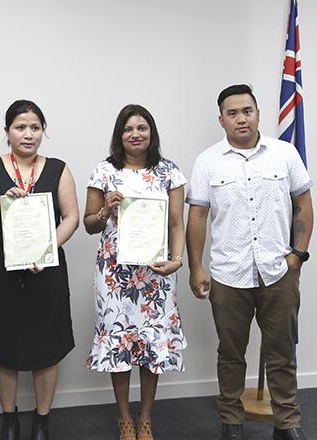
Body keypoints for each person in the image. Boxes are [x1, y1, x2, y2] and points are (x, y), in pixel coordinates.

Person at [186, 84, 314, 440]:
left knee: (282, 353)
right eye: (232, 113)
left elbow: (303, 203)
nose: (241, 119)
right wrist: (197, 267)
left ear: (257, 113)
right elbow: (197, 217)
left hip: (278, 272)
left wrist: (297, 255)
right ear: (222, 120)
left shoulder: (284, 154)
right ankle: (231, 422)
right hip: (229, 275)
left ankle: (287, 423)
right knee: (230, 355)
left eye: (247, 111)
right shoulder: (207, 161)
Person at [0, 100, 78, 440]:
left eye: (35, 127)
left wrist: (47, 251)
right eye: (20, 127)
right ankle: (9, 420)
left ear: (42, 131)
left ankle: (41, 421)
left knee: (47, 346)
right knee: (5, 345)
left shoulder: (59, 168)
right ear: (7, 132)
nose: (28, 134)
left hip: (45, 270)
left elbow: (72, 217)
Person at [84, 104, 187, 440]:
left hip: (156, 274)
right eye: (128, 129)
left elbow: (175, 223)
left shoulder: (169, 172)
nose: (135, 134)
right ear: (120, 135)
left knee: (151, 344)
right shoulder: (103, 171)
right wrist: (105, 210)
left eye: (142, 128)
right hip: (115, 275)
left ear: (151, 133)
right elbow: (88, 223)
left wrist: (178, 259)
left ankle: (145, 417)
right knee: (120, 343)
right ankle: (124, 417)